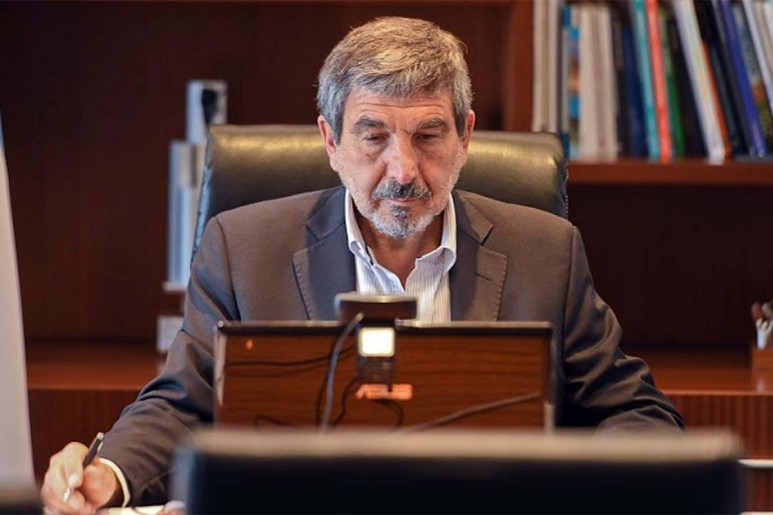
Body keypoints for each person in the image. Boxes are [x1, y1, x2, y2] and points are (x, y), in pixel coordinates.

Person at [41, 16, 684, 513]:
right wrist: (109, 475)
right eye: (374, 136)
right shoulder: (242, 248)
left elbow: (640, 416)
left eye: (428, 136)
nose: (402, 170)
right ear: (331, 140)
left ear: (465, 136)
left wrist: (573, 494)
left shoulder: (546, 251)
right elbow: (183, 404)